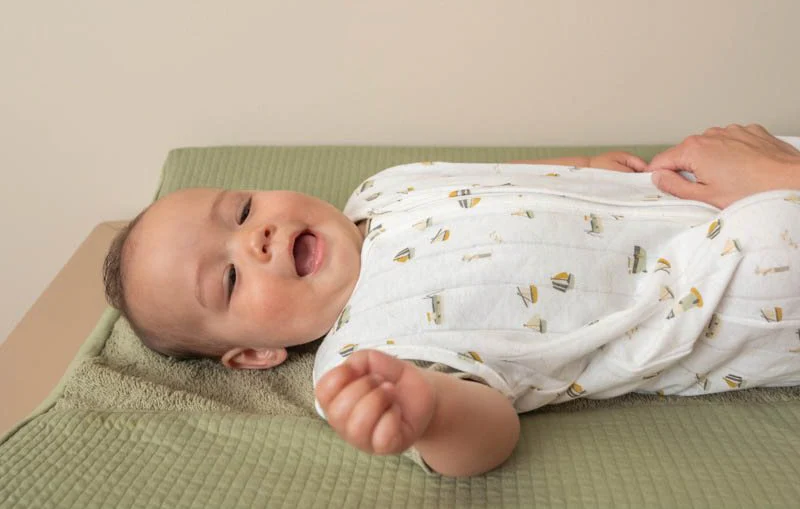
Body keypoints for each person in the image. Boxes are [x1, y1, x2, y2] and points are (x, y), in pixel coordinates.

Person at [103, 124, 800, 477]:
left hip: (679, 193)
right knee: (776, 243)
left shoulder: (380, 189)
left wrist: (582, 167)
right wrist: (429, 413)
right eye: (229, 279)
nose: (255, 238)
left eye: (243, 209)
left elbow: (493, 178)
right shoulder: (362, 360)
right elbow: (490, 432)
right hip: (710, 296)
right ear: (257, 353)